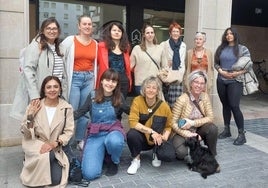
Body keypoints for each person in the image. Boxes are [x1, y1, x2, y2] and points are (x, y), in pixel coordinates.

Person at [74, 68, 129, 180]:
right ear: (102, 81)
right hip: (96, 133)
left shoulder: (119, 97)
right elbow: (81, 111)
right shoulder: (93, 95)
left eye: (113, 81)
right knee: (89, 174)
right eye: (107, 80)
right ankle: (103, 155)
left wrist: (145, 115)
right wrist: (64, 116)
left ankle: (113, 161)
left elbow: (131, 112)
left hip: (113, 131)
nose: (110, 84)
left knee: (115, 141)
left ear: (117, 84)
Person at [20, 76, 74, 187]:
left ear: (60, 89)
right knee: (47, 159)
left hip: (54, 146)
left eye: (55, 86)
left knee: (55, 181)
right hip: (35, 144)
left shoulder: (66, 108)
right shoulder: (34, 105)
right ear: (44, 90)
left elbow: (69, 131)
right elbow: (25, 133)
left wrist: (55, 143)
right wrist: (31, 115)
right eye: (48, 87)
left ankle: (47, 161)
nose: (52, 90)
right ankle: (31, 163)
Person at [10, 17, 67, 121]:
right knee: (38, 123)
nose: (51, 31)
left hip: (56, 92)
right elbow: (28, 70)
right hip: (41, 92)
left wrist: (64, 93)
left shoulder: (61, 47)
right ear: (42, 30)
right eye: (48, 28)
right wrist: (34, 94)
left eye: (54, 28)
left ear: (58, 31)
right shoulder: (36, 45)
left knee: (53, 122)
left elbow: (63, 73)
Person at [62, 14, 98, 148]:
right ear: (79, 26)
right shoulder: (70, 41)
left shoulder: (95, 44)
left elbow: (96, 64)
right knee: (72, 110)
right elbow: (60, 57)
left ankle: (79, 139)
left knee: (85, 111)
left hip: (89, 79)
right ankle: (67, 138)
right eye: (84, 24)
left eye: (90, 24)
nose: (87, 26)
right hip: (74, 79)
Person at [127, 76, 172, 175]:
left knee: (170, 155)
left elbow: (168, 126)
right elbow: (133, 122)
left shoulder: (164, 106)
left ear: (158, 91)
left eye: (154, 88)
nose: (150, 90)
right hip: (143, 139)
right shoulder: (137, 101)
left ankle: (156, 153)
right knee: (131, 134)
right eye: (148, 87)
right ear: (143, 89)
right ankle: (136, 160)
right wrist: (151, 132)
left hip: (157, 140)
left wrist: (164, 137)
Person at [172, 70, 218, 161]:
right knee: (181, 153)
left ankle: (211, 155)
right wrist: (190, 134)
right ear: (191, 83)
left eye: (202, 83)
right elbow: (173, 123)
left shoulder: (204, 97)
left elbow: (211, 117)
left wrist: (193, 123)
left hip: (199, 129)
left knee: (212, 128)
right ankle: (193, 148)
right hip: (183, 131)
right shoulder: (182, 99)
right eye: (196, 82)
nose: (199, 85)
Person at [214, 27, 249, 145]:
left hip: (235, 80)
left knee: (234, 106)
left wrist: (236, 73)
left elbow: (248, 65)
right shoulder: (221, 48)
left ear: (235, 35)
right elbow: (216, 63)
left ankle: (241, 134)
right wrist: (221, 71)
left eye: (231, 33)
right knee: (226, 106)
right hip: (221, 80)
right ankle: (227, 130)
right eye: (227, 34)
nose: (229, 35)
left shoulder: (242, 49)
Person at [97, 21, 132, 99]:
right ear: (109, 32)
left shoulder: (126, 47)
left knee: (120, 105)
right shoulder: (101, 46)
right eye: (114, 30)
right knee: (107, 103)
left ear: (122, 34)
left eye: (119, 31)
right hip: (109, 81)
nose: (117, 32)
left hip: (123, 81)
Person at [130, 23, 168, 96]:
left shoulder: (160, 48)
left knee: (154, 107)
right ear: (144, 35)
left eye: (152, 32)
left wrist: (163, 76)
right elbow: (129, 66)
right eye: (147, 33)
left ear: (154, 34)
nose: (150, 35)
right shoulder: (137, 49)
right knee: (142, 107)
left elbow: (165, 67)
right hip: (141, 84)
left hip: (155, 84)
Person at [160, 22, 186, 108]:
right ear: (170, 33)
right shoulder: (164, 45)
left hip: (178, 75)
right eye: (173, 31)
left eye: (177, 31)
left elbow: (183, 60)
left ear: (180, 33)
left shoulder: (183, 45)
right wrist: (166, 63)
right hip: (168, 75)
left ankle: (176, 119)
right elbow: (159, 59)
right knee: (168, 101)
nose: (175, 33)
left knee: (178, 103)